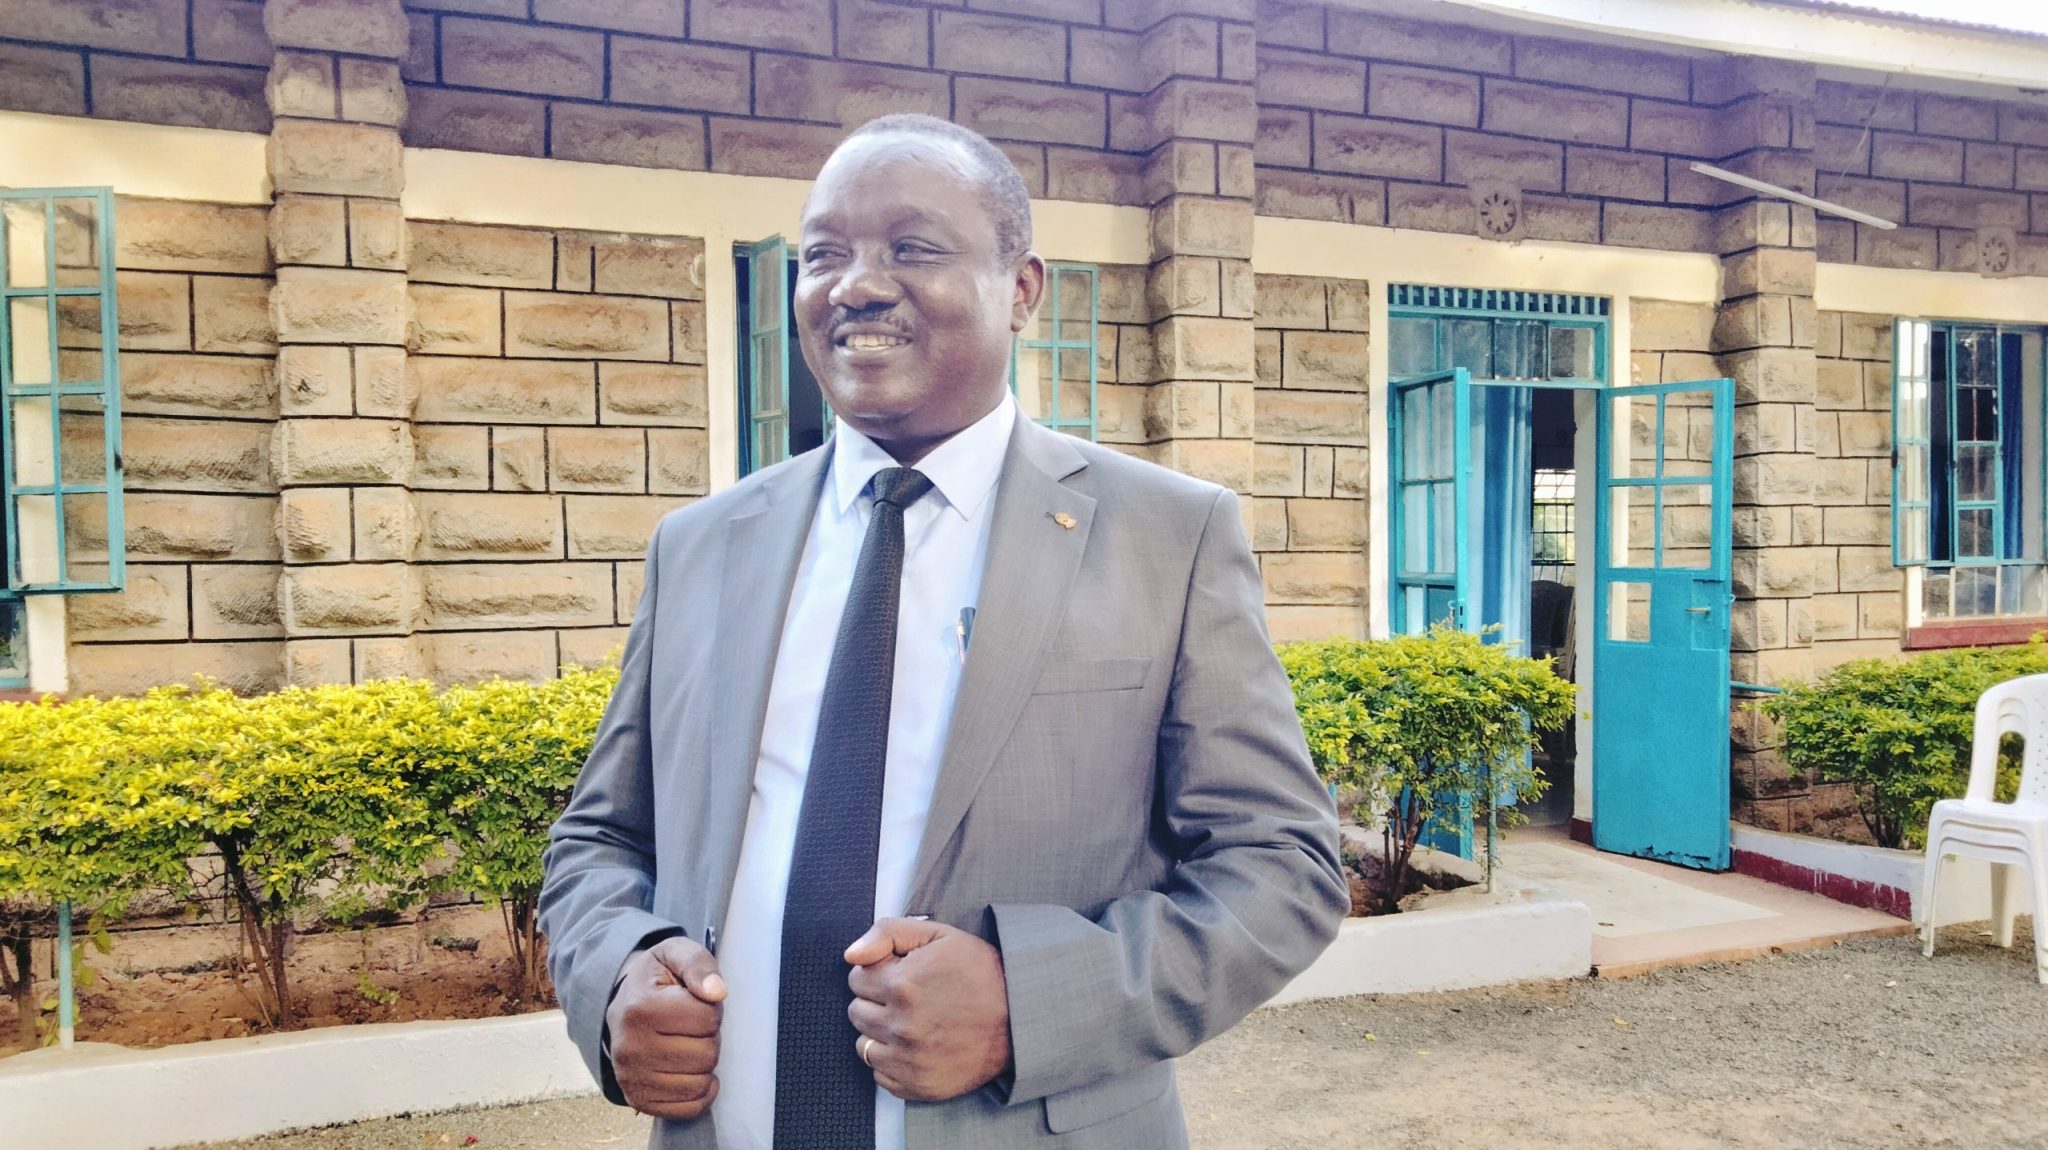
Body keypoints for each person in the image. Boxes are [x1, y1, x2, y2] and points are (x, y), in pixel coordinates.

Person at [539, 113, 1347, 1150]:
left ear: (1021, 289)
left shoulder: (1169, 536)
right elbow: (601, 838)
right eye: (822, 254)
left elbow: (1279, 865)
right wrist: (614, 972)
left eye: (912, 247)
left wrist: (1028, 999)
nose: (856, 286)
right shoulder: (700, 545)